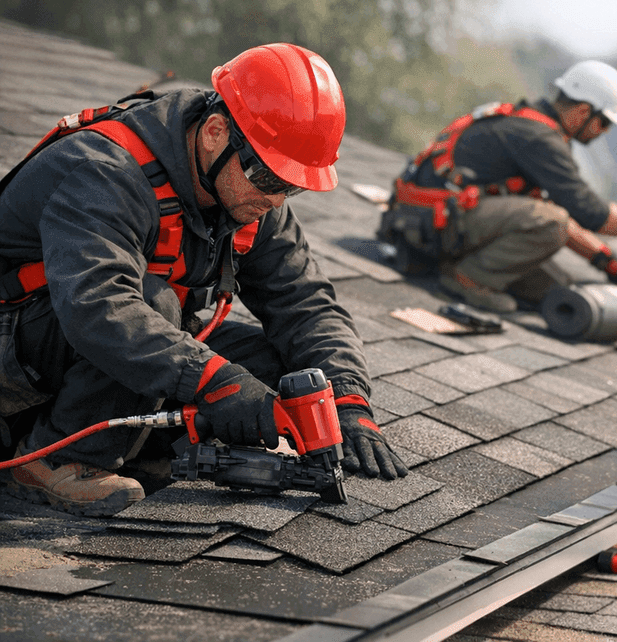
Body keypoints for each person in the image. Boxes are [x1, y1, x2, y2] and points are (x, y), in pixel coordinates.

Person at [0, 43, 407, 518]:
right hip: (22, 339)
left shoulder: (247, 191)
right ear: (216, 133)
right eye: (270, 180)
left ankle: (141, 447)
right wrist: (216, 382)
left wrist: (346, 400)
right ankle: (57, 460)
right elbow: (99, 306)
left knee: (286, 371)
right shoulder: (104, 171)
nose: (277, 201)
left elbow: (306, 303)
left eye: (291, 186)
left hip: (74, 350)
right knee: (156, 305)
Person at [379, 60, 617, 313]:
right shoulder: (539, 138)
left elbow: (560, 209)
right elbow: (585, 212)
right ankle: (466, 279)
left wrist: (608, 262)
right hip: (430, 226)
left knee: (556, 288)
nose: (605, 132)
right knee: (552, 225)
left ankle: (460, 268)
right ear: (583, 112)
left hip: (427, 224)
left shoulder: (538, 127)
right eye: (604, 123)